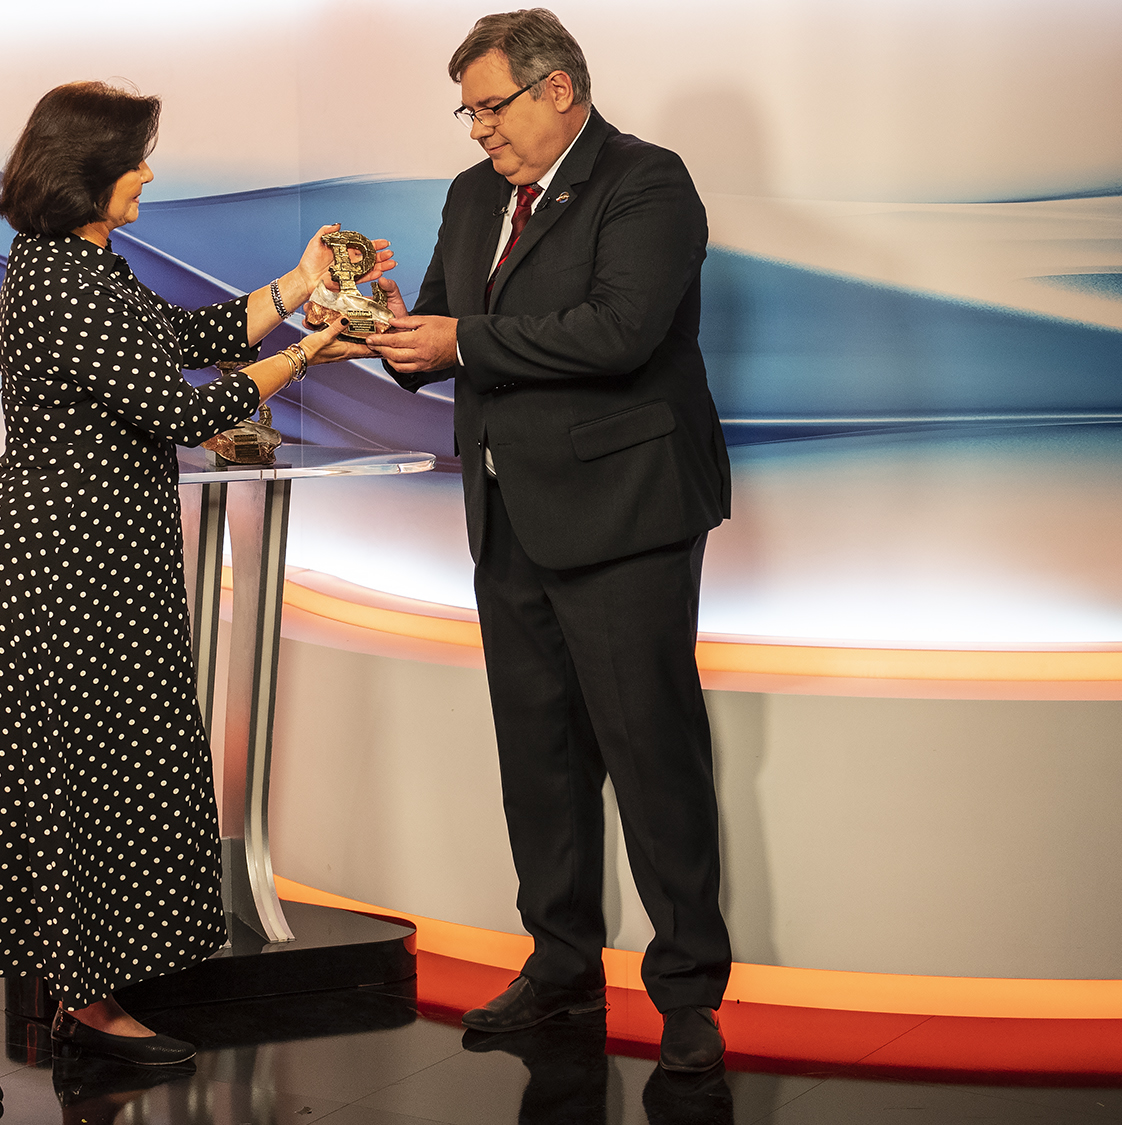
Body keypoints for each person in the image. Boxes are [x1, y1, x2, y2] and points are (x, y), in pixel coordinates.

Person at [0, 81, 380, 1108]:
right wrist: (308, 350)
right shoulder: (59, 280)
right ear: (87, 172)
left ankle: (86, 994)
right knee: (11, 788)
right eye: (135, 158)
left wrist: (299, 285)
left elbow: (190, 336)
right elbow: (178, 406)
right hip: (48, 571)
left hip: (109, 567)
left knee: (109, 781)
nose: (148, 173)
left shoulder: (90, 267)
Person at [358, 8, 733, 1071]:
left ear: (557, 88)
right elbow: (443, 330)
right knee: (539, 759)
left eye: (491, 107)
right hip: (508, 511)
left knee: (649, 757)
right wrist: (384, 330)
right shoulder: (473, 195)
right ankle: (561, 965)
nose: (478, 129)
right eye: (468, 113)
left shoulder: (647, 181)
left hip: (625, 514)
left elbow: (619, 331)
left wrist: (460, 340)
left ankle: (687, 996)